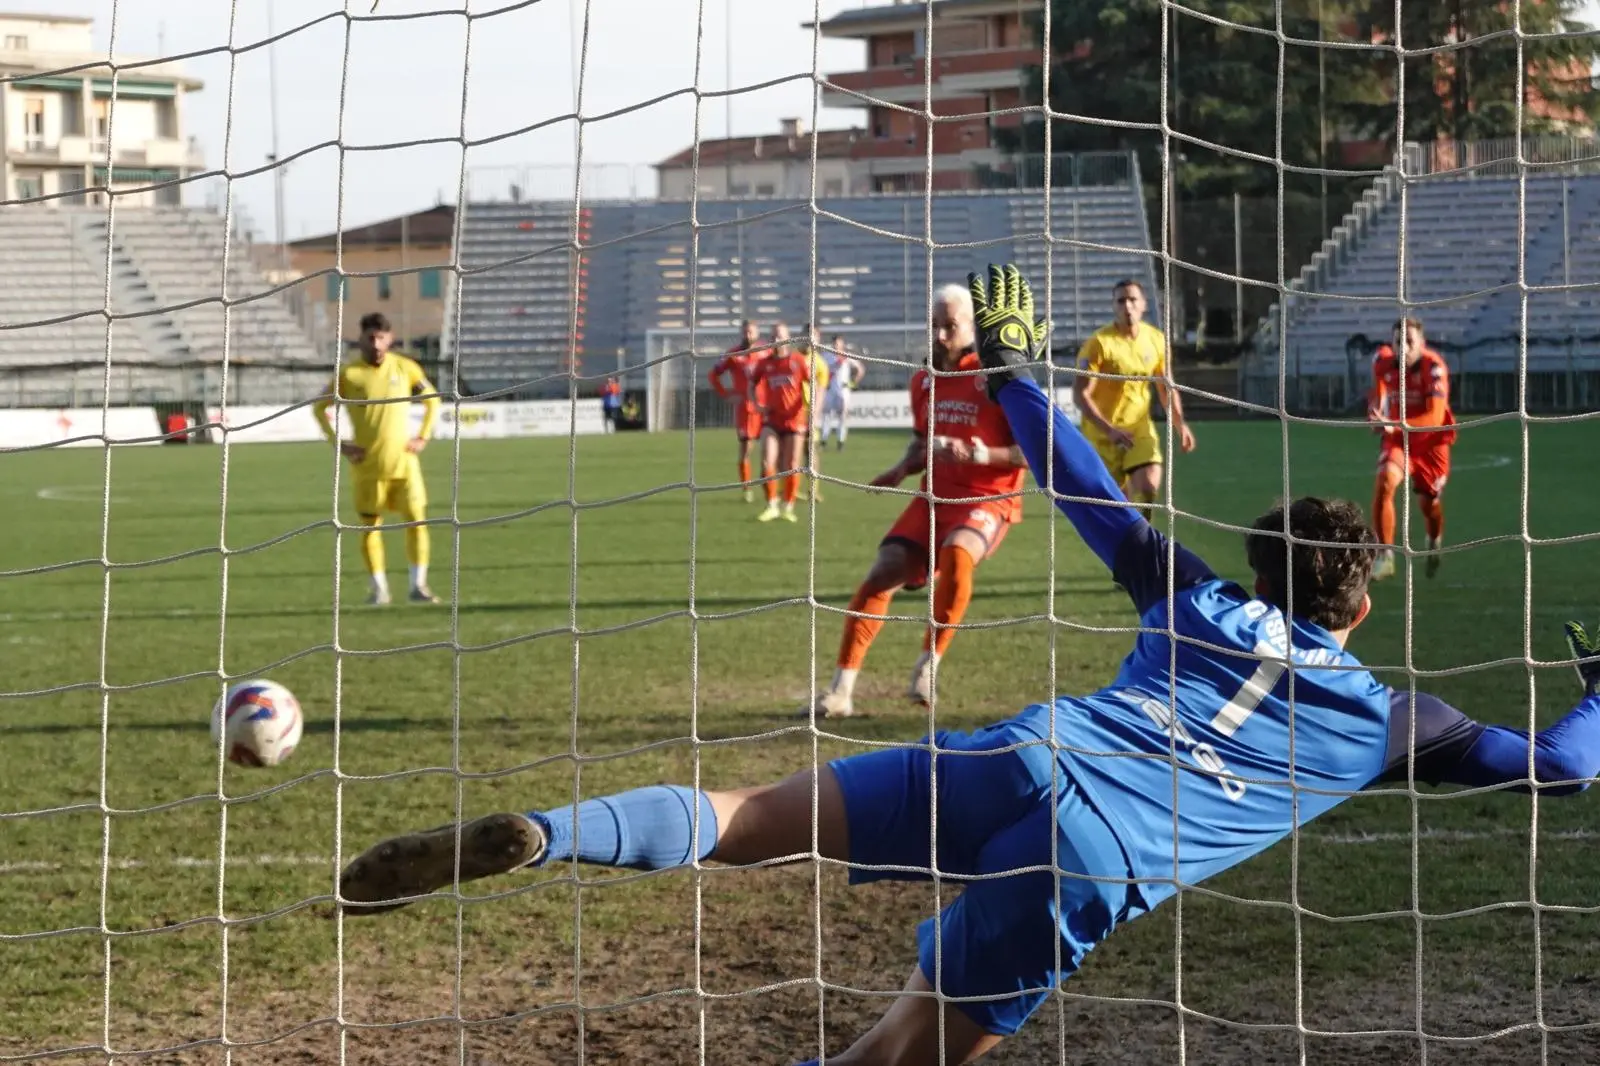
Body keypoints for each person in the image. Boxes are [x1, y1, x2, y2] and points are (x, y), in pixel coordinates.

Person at [341, 264, 1600, 1064]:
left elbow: (1083, 484)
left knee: (748, 815)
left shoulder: (1197, 599)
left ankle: (552, 835)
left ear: (1265, 572)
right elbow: (1554, 772)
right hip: (1095, 861)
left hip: (1022, 758)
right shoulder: (1396, 719)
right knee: (908, 1055)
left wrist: (1007, 370)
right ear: (1362, 601)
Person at [810, 284, 1028, 717]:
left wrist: (979, 453)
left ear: (973, 327)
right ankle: (840, 691)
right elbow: (920, 444)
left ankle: (928, 666)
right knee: (884, 570)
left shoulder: (999, 377)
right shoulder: (923, 381)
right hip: (934, 497)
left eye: (951, 326)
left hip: (989, 498)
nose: (941, 335)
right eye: (935, 326)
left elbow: (1031, 453)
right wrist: (899, 470)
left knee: (958, 554)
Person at [312, 312, 442, 606]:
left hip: (405, 465)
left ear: (390, 338)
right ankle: (379, 589)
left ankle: (418, 586)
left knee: (417, 523)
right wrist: (339, 444)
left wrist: (423, 435)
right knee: (370, 527)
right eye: (370, 337)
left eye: (380, 337)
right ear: (360, 339)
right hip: (367, 467)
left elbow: (433, 399)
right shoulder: (349, 375)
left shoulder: (406, 368)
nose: (375, 343)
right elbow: (319, 408)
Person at [1074, 278, 1196, 516]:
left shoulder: (1156, 339)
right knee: (1116, 507)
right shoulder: (1099, 343)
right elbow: (1080, 394)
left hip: (1139, 427)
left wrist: (1180, 425)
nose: (1127, 306)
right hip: (1102, 434)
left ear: (1144, 305)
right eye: (1121, 301)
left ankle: (1143, 538)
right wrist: (1109, 430)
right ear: (1114, 306)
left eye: (1132, 299)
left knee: (1149, 485)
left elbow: (1166, 386)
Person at [1368, 317, 1457, 581]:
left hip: (1431, 443)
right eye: (1398, 342)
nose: (1403, 348)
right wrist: (1376, 417)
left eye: (1409, 342)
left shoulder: (1434, 368)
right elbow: (1378, 393)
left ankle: (1434, 539)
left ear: (1422, 344)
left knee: (1429, 505)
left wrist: (1393, 424)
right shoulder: (1382, 363)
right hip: (1399, 442)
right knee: (1385, 481)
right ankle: (1386, 556)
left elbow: (1434, 417)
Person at [750, 323, 816, 523]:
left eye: (780, 336)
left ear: (788, 338)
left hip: (795, 420)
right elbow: (752, 384)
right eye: (773, 336)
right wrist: (757, 405)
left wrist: (810, 405)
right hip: (772, 419)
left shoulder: (798, 361)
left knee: (792, 464)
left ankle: (788, 506)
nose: (776, 340)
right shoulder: (765, 363)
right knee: (766, 462)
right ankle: (771, 504)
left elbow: (812, 383)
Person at [708, 320, 766, 502]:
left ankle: (772, 488)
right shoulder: (733, 354)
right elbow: (713, 374)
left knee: (770, 451)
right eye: (746, 332)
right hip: (746, 410)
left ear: (757, 333)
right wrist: (725, 394)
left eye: (751, 332)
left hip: (766, 408)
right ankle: (747, 488)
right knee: (746, 449)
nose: (748, 335)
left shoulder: (767, 350)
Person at [820, 334, 865, 450]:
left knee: (843, 416)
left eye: (838, 343)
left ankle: (840, 441)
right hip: (830, 389)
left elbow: (860, 369)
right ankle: (823, 440)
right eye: (834, 343)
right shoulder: (826, 356)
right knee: (826, 415)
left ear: (842, 344)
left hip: (843, 390)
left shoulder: (846, 356)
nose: (836, 345)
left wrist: (853, 383)